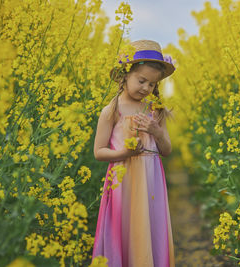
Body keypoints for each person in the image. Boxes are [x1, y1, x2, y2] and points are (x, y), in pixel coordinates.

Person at [92, 40, 176, 267]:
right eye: (141, 81)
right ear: (125, 75)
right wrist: (124, 153)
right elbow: (98, 152)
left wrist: (157, 132)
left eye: (152, 84)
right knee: (125, 228)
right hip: (123, 181)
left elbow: (167, 150)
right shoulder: (112, 110)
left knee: (150, 227)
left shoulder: (154, 110)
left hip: (151, 181)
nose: (146, 88)